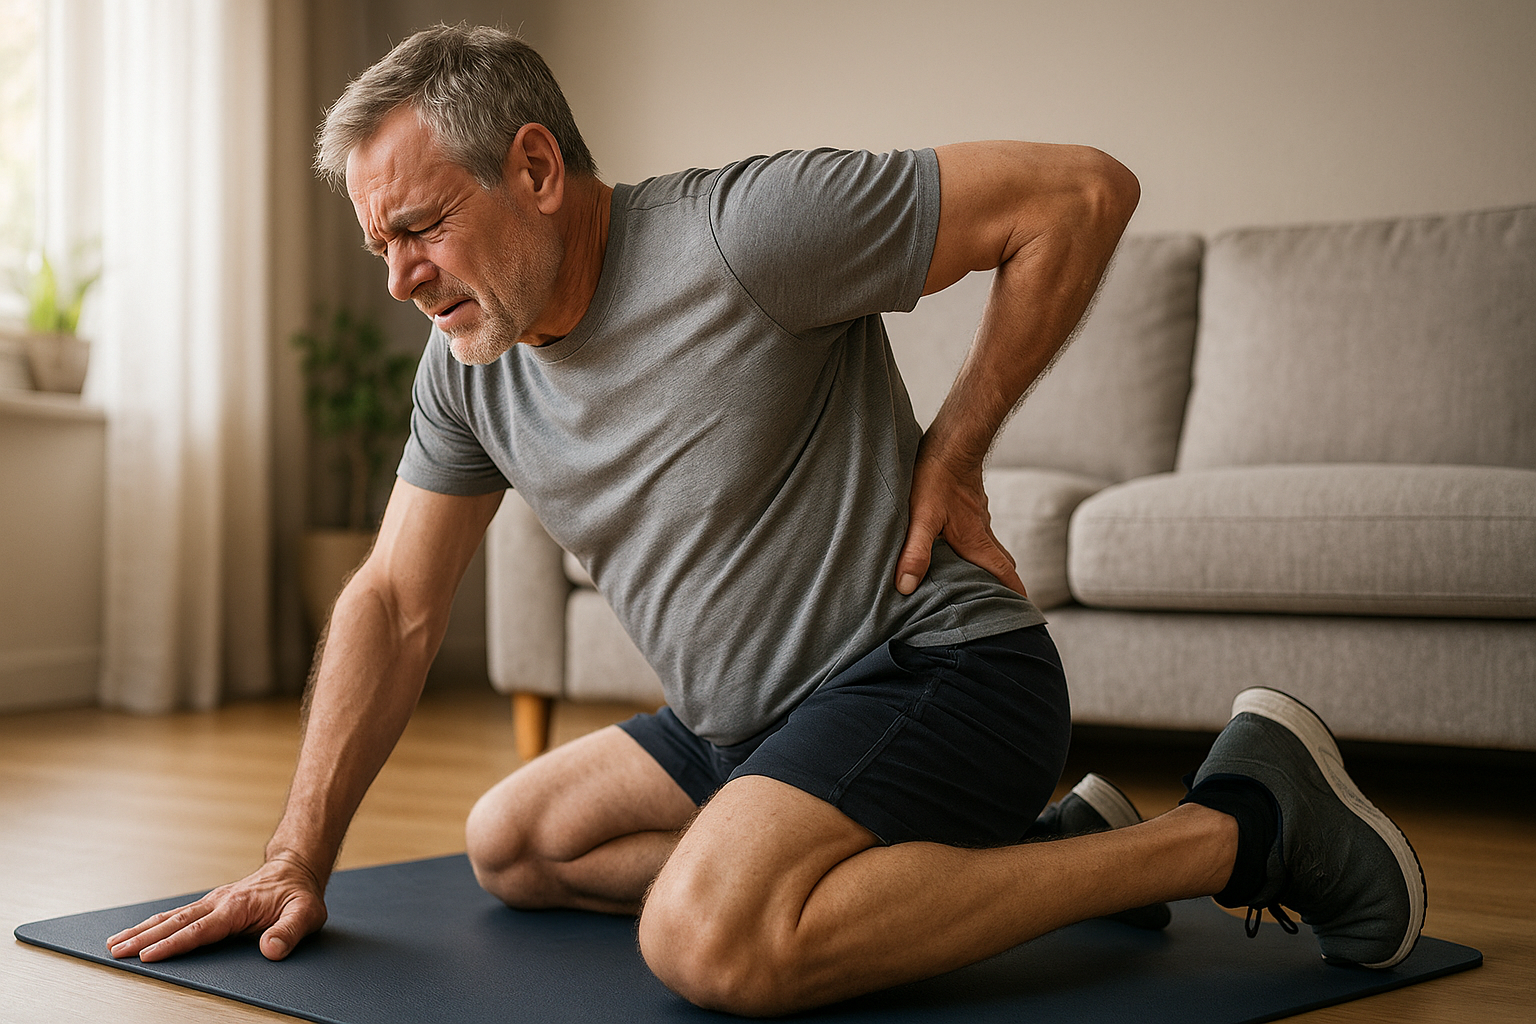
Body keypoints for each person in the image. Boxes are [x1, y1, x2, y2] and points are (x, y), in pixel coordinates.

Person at [106, 25, 1425, 1016]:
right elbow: (395, 602)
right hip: (753, 717)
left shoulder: (745, 232)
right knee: (512, 845)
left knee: (708, 942)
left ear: (535, 167)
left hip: (933, 671)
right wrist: (295, 858)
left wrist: (958, 446)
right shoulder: (469, 369)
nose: (399, 279)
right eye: (377, 246)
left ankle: (1243, 826)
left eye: (421, 228)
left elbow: (1079, 195)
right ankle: (1013, 855)